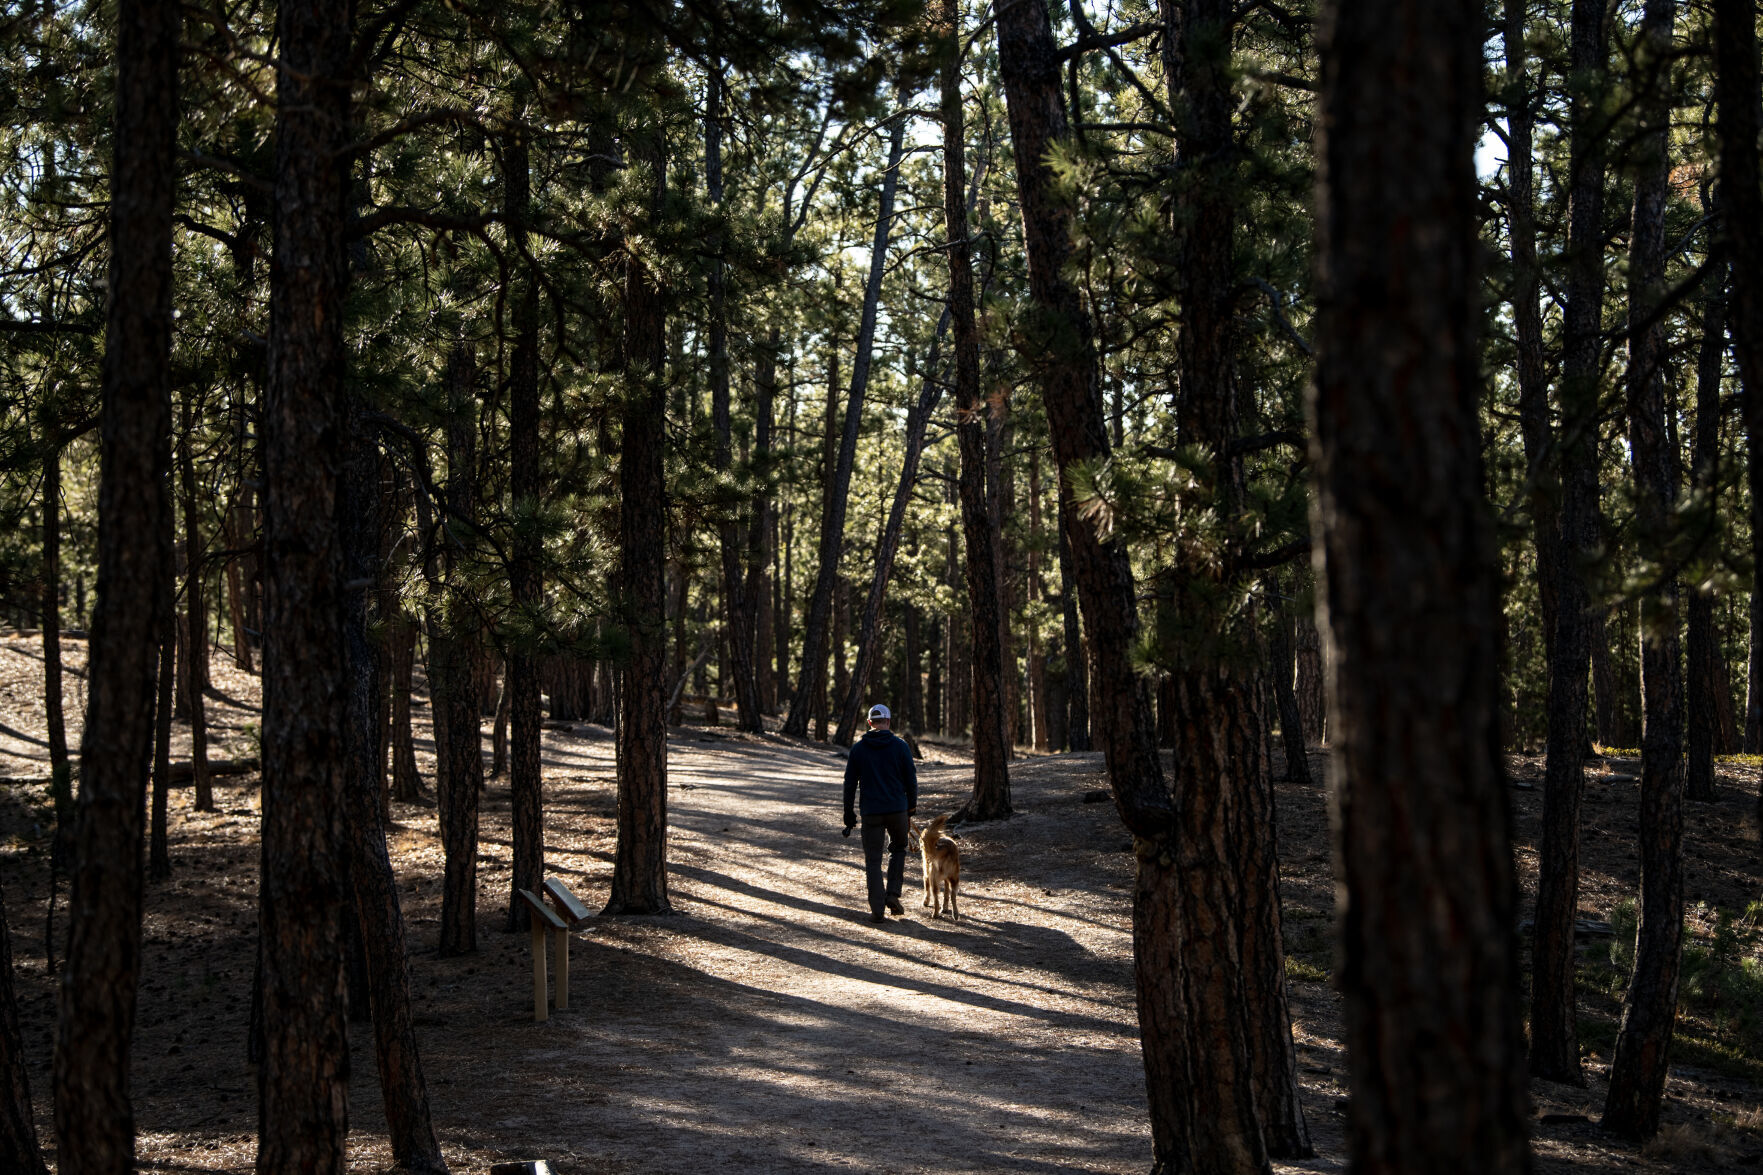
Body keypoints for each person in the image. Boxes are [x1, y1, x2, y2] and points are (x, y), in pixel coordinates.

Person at [841, 703, 917, 922]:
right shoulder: (901, 747)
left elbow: (849, 784)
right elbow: (911, 780)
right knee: (899, 849)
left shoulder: (858, 749)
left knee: (873, 860)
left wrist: (849, 814)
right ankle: (892, 894)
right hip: (897, 810)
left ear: (869, 723)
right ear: (888, 722)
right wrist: (911, 808)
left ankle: (877, 909)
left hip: (871, 812)